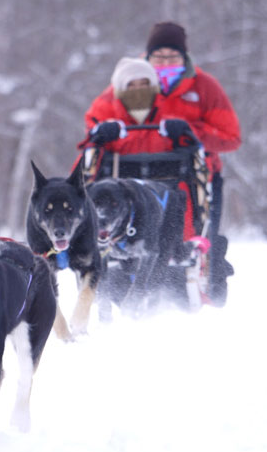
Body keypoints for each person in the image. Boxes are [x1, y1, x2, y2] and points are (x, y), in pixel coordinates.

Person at [80, 22, 241, 303]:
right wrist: (100, 133)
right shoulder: (126, 85)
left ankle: (207, 290)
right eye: (159, 56)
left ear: (184, 57)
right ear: (147, 56)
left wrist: (193, 133)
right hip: (131, 172)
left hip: (190, 170)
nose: (165, 63)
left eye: (172, 57)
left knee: (200, 226)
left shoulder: (203, 87)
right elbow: (95, 124)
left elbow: (230, 136)